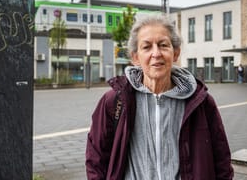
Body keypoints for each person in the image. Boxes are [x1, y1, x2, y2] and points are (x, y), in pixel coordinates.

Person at [85, 15, 234, 180]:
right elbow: (95, 160)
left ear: (175, 53)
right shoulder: (115, 101)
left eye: (163, 45)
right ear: (135, 57)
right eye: (147, 47)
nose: (156, 54)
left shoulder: (200, 102)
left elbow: (222, 162)